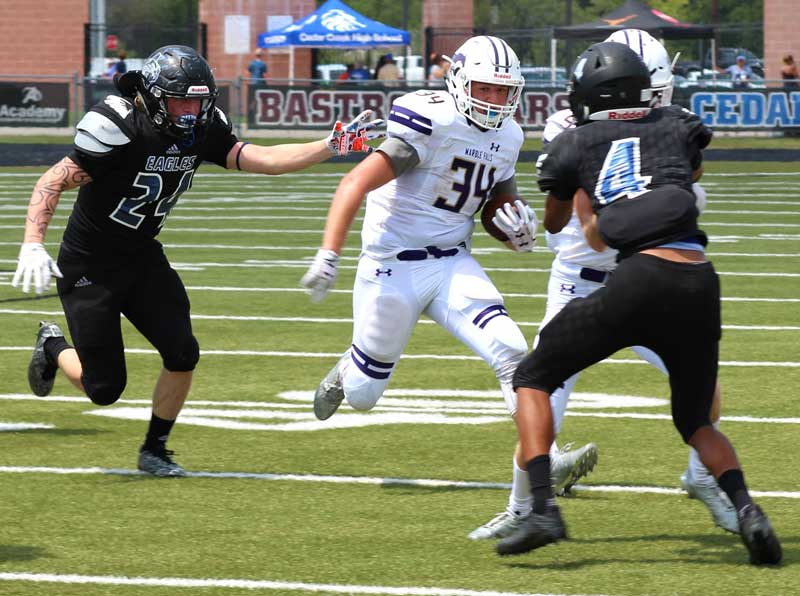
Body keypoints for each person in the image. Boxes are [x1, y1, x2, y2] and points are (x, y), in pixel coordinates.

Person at [12, 45, 382, 477]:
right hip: (90, 265)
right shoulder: (119, 124)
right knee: (104, 388)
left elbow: (263, 160)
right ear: (152, 95)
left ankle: (155, 448)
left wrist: (330, 145)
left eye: (198, 101)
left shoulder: (201, 128)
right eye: (180, 101)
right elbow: (52, 181)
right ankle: (53, 347)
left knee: (183, 352)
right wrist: (32, 242)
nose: (190, 112)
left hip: (142, 255)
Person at [494, 41, 781, 566]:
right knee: (696, 421)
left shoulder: (574, 141)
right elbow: (686, 175)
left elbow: (560, 223)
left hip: (636, 279)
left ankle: (541, 508)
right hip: (698, 280)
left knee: (533, 377)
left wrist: (588, 197)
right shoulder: (677, 124)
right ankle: (748, 509)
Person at [300, 35, 594, 502]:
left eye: (503, 91)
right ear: (458, 82)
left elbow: (497, 200)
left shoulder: (508, 134)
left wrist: (516, 228)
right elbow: (354, 181)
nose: (495, 101)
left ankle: (546, 458)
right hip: (392, 266)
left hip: (452, 261)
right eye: (485, 88)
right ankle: (346, 369)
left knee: (512, 350)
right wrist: (329, 253)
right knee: (362, 395)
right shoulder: (432, 120)